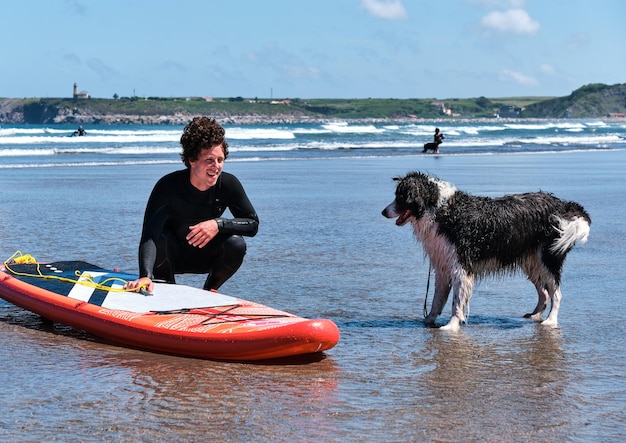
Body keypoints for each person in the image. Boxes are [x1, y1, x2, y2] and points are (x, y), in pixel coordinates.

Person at [124, 116, 259, 295]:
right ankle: (165, 288)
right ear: (192, 159)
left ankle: (209, 291)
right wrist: (145, 275)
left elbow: (252, 224)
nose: (216, 167)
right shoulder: (168, 187)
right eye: (209, 160)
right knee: (161, 239)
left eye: (220, 160)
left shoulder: (228, 184)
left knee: (236, 244)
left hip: (207, 257)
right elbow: (150, 236)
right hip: (171, 257)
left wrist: (218, 224)